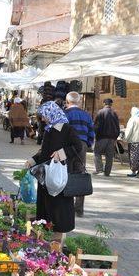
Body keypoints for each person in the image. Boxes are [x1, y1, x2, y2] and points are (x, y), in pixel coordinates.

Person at [25, 101, 82, 244]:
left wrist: (61, 153)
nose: (43, 119)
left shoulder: (67, 129)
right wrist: (32, 160)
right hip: (46, 175)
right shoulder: (48, 129)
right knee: (46, 205)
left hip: (58, 175)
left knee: (59, 207)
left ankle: (57, 239)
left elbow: (78, 147)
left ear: (52, 113)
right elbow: (44, 152)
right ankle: (45, 234)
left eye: (44, 116)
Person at [64, 91, 94, 217]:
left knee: (66, 173)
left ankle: (66, 205)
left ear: (67, 101)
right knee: (80, 173)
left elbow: (62, 131)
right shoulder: (86, 115)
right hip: (81, 146)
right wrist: (87, 144)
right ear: (79, 102)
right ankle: (79, 209)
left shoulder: (65, 114)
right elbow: (91, 133)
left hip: (67, 146)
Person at [93, 98, 120, 176]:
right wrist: (115, 137)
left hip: (102, 137)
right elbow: (117, 127)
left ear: (104, 103)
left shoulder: (100, 112)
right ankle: (107, 172)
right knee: (109, 156)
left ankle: (99, 170)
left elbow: (96, 126)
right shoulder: (114, 113)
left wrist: (95, 135)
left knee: (97, 153)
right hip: (112, 138)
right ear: (111, 104)